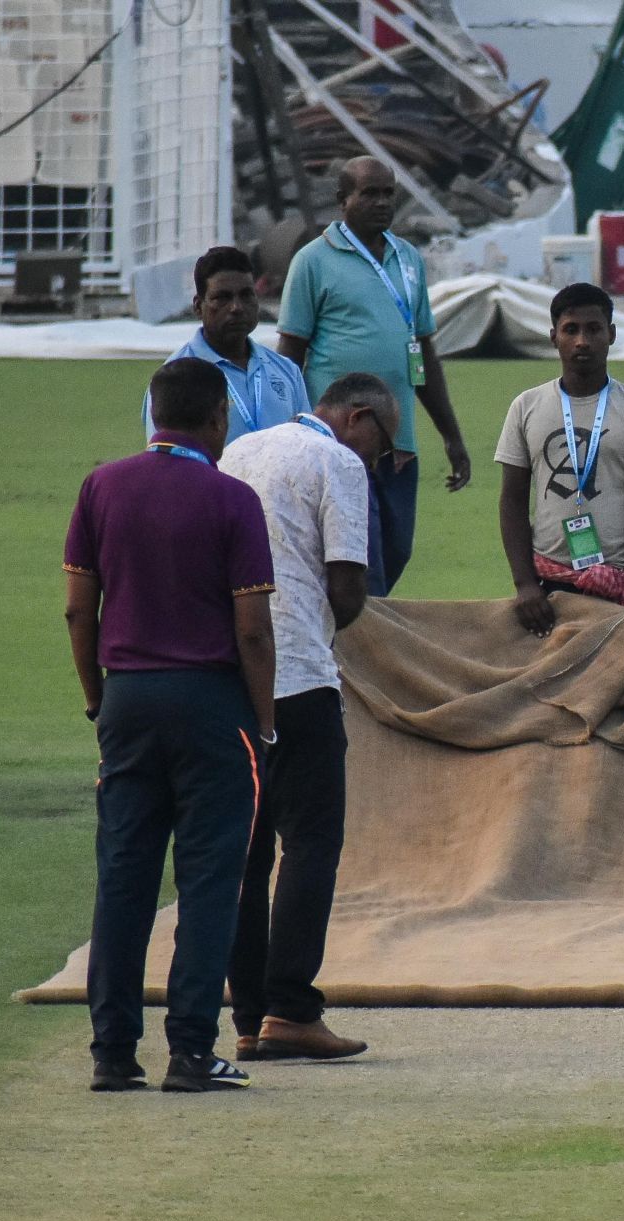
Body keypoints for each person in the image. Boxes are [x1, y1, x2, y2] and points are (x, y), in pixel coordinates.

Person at [62, 357, 277, 1094]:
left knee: (123, 878)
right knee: (210, 880)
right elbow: (253, 629)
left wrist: (99, 698)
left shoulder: (101, 487)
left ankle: (112, 1052)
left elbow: (77, 610)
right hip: (211, 704)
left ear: (154, 414)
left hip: (128, 699)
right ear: (219, 417)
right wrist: (265, 720)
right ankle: (190, 1050)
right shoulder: (233, 498)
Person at [218, 373, 397, 1064]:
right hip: (297, 676)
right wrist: (327, 621)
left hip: (230, 677)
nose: (378, 461)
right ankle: (291, 1009)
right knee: (311, 843)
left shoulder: (238, 451)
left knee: (245, 851)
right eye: (383, 445)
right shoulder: (338, 463)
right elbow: (347, 585)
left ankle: (247, 1015)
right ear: (359, 418)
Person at [278, 156, 471, 597]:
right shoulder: (312, 260)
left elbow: (422, 352)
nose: (382, 202)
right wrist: (289, 435)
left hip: (397, 441)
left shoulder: (408, 258)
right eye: (369, 193)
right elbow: (290, 355)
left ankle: (355, 627)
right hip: (339, 443)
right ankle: (357, 637)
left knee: (396, 549)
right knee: (362, 563)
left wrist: (451, 435)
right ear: (342, 200)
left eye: (388, 193)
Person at [496, 282, 624, 635]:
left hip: (619, 582)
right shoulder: (526, 406)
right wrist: (525, 584)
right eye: (570, 330)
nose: (582, 341)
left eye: (593, 329)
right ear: (553, 337)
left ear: (611, 335)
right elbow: (512, 500)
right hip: (549, 586)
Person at [142, 246, 312, 445]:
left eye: (246, 295)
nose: (236, 307)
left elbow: (307, 445)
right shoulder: (174, 378)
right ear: (198, 306)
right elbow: (166, 458)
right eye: (222, 298)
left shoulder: (286, 371)